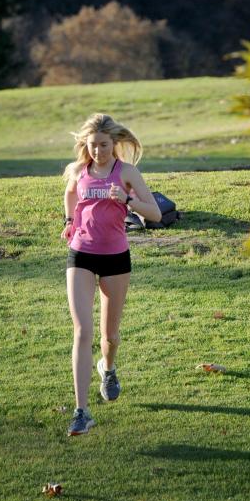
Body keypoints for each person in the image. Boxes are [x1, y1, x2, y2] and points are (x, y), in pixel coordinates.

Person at [61, 113, 162, 436]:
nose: (98, 152)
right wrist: (69, 222)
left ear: (114, 144)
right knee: (82, 332)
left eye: (104, 146)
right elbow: (70, 195)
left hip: (116, 257)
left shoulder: (127, 173)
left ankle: (108, 368)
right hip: (81, 254)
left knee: (110, 337)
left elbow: (156, 214)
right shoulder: (80, 171)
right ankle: (81, 411)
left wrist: (129, 200)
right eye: (92, 146)